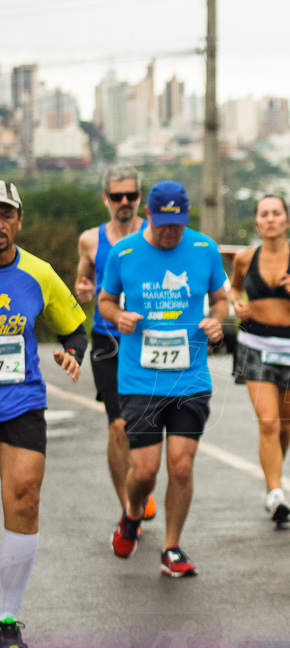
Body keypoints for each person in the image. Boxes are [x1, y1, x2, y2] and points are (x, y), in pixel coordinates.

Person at [98, 180, 228, 578]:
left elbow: (222, 299)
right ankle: (133, 513)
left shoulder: (204, 248)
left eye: (178, 224)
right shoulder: (125, 252)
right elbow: (104, 299)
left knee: (182, 467)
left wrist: (217, 321)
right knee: (147, 471)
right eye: (164, 223)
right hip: (141, 380)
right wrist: (117, 317)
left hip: (190, 378)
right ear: (149, 215)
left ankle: (171, 548)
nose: (171, 232)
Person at [0, 181, 86, 648]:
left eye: (5, 215)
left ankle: (6, 618)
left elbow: (74, 327)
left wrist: (73, 354)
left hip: (21, 401)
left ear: (18, 220)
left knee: (25, 498)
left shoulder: (39, 273)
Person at [228, 196, 290, 527]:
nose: (270, 219)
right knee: (268, 423)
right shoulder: (245, 258)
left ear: (286, 221)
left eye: (276, 213)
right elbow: (233, 289)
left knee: (284, 426)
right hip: (254, 344)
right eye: (264, 214)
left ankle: (274, 476)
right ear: (257, 222)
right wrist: (237, 305)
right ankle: (275, 493)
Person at [74, 165, 157, 524]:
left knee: (147, 422)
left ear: (140, 198)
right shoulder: (91, 240)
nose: (124, 202)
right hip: (108, 339)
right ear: (105, 199)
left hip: (149, 340)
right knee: (119, 424)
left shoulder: (155, 234)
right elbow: (84, 281)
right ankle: (128, 506)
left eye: (131, 196)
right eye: (116, 196)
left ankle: (141, 483)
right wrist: (82, 290)